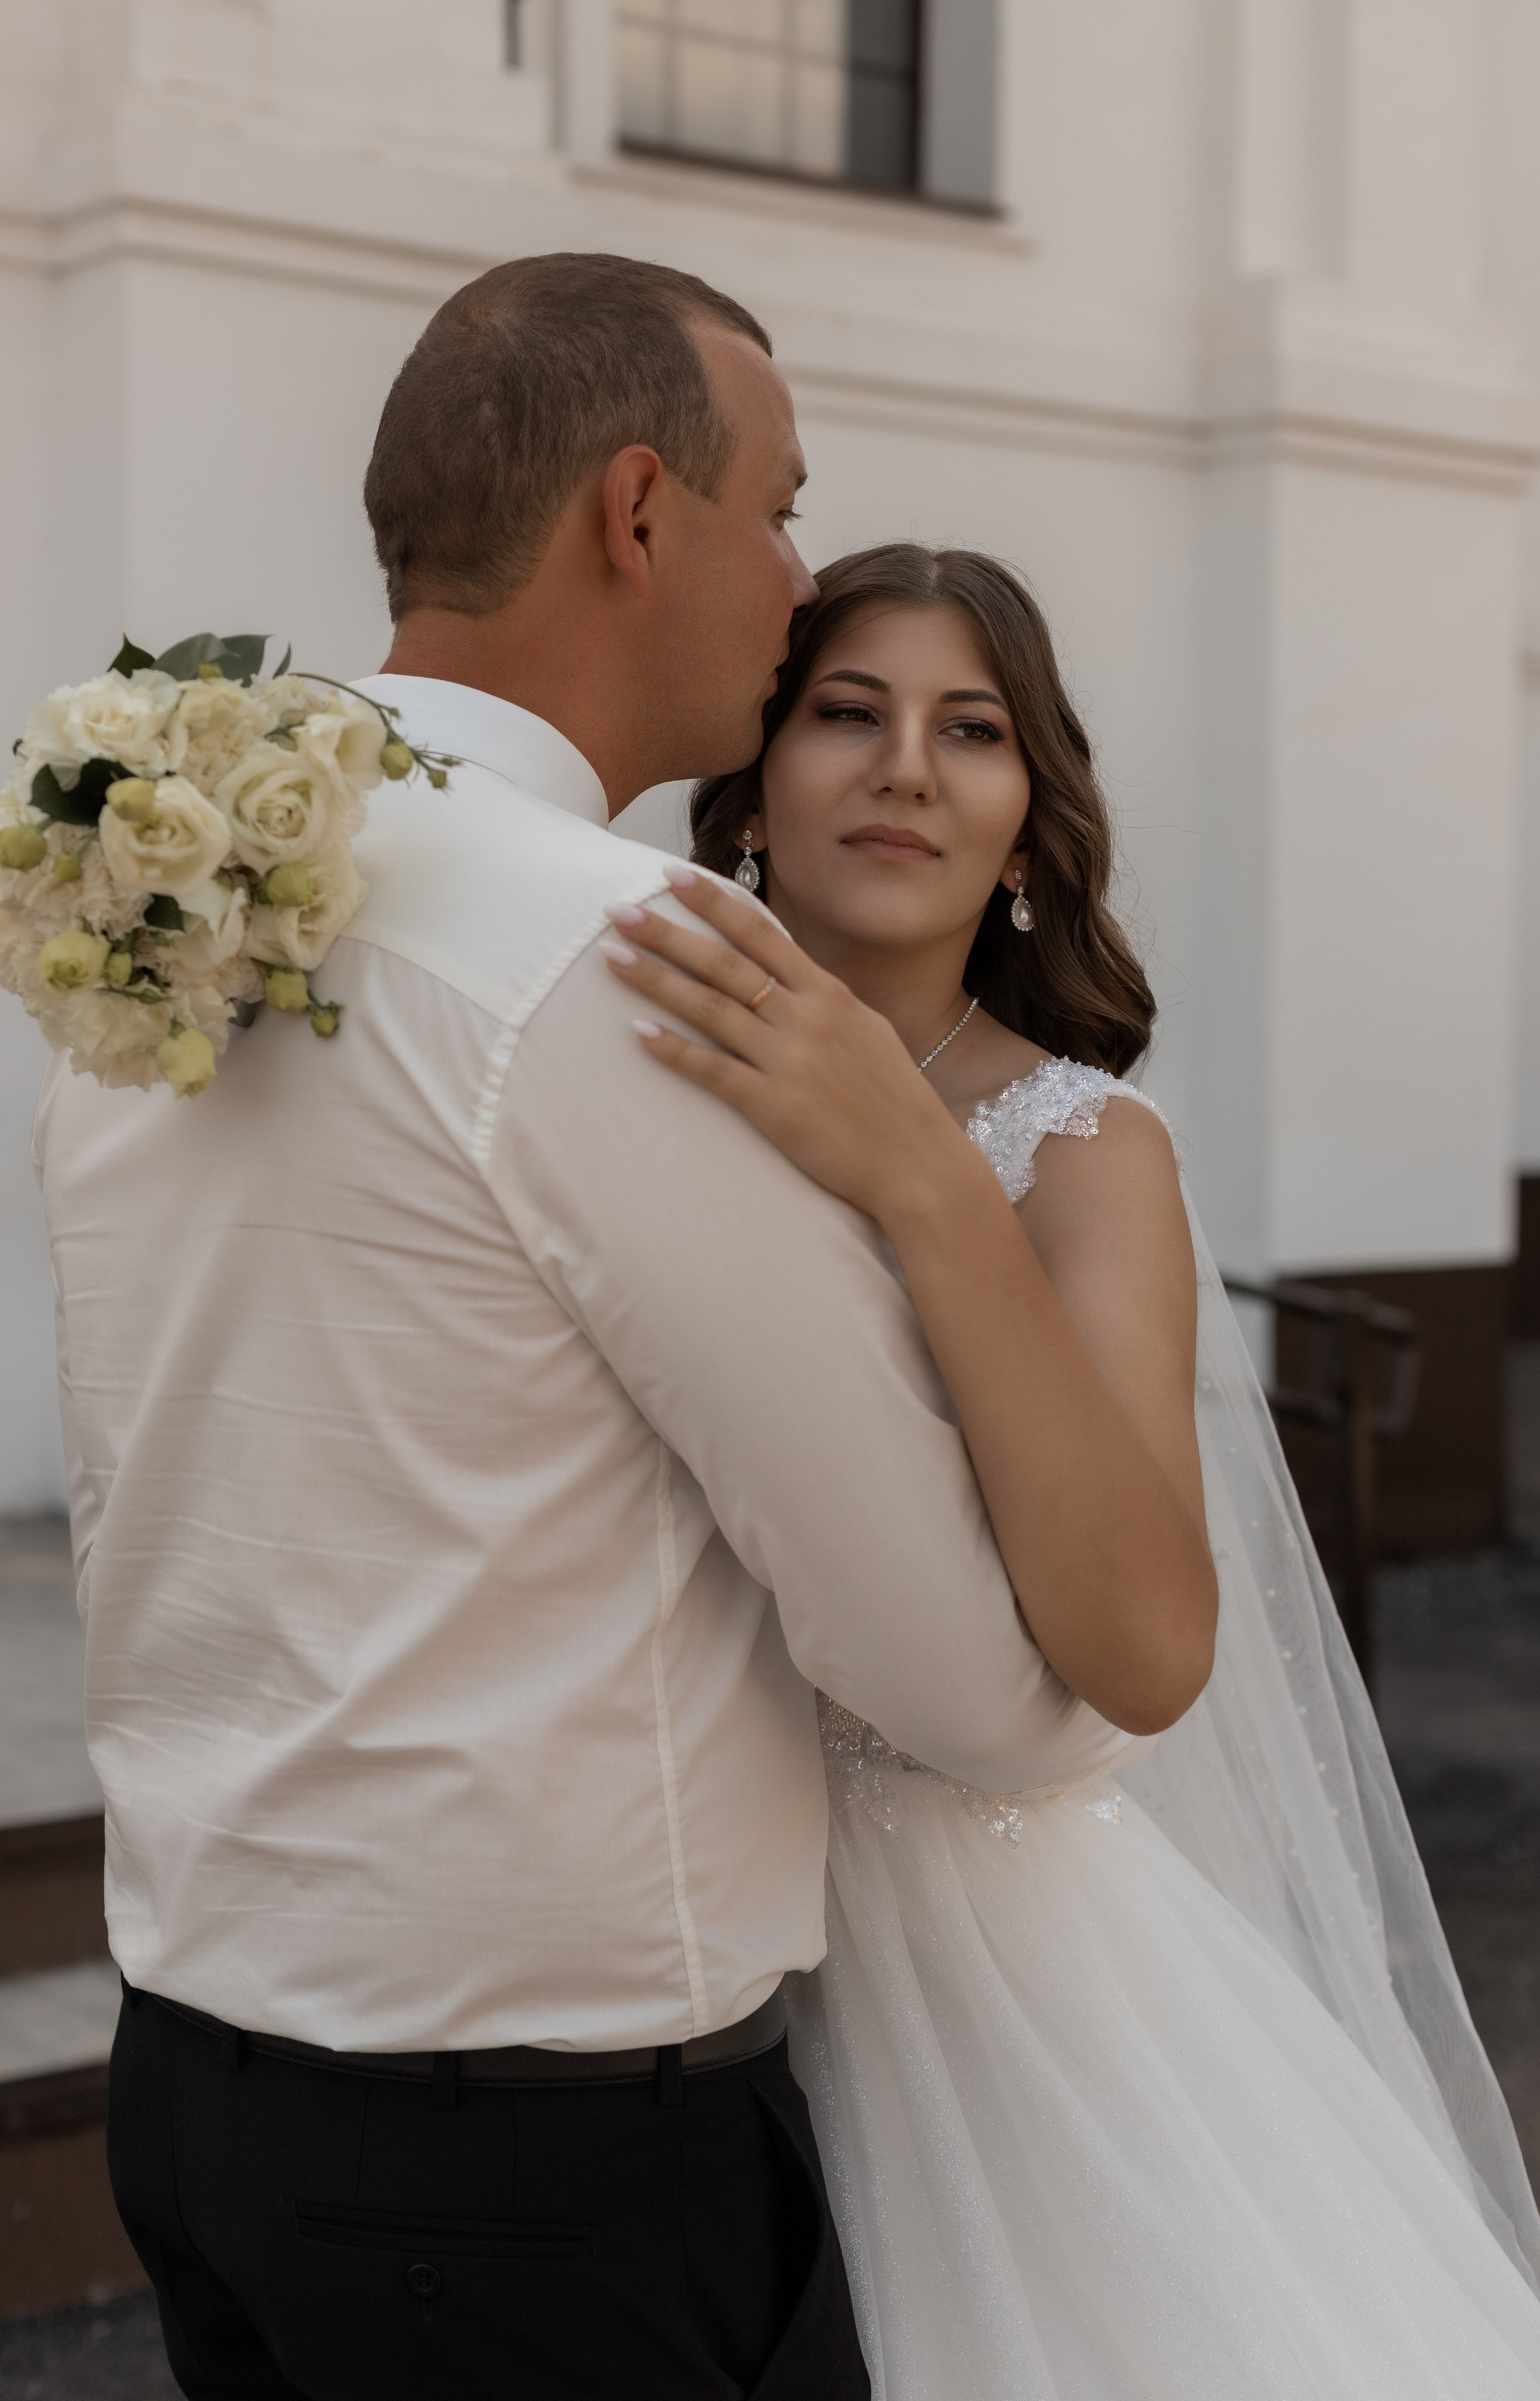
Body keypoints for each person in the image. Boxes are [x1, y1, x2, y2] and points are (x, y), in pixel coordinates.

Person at [33, 262, 1202, 2399]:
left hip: (203, 2094)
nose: (793, 583)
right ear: (641, 515)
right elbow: (976, 1683)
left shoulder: (156, 885)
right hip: (523, 2193)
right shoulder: (625, 967)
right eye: (780, 514)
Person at [597, 540, 1540, 2398]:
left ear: (1030, 827)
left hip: (964, 1961)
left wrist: (912, 1169)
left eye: (969, 732)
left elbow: (1144, 1648)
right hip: (643, 1927)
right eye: (847, 711)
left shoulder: (1079, 1152)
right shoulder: (611, 1069)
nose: (906, 767)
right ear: (749, 791)